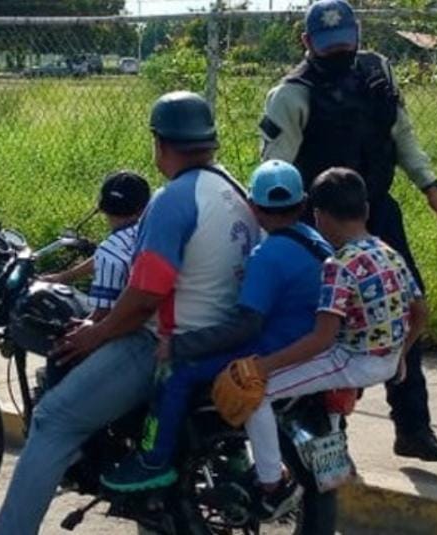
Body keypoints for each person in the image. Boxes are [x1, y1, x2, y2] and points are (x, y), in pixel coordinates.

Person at [0, 91, 260, 535]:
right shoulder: (234, 188)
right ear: (209, 141)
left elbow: (144, 298)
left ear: (159, 144)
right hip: (224, 335)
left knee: (54, 419)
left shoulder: (172, 200)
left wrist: (94, 335)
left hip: (163, 342)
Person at [259, 0, 437, 461]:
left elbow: (401, 134)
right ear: (306, 42)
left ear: (359, 36)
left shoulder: (378, 73)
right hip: (319, 225)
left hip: (376, 214)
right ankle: (331, 441)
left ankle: (412, 428)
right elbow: (276, 167)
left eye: (347, 43)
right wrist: (274, 234)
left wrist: (431, 187)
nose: (341, 52)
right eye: (330, 46)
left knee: (407, 310)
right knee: (327, 327)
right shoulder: (291, 94)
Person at [100, 160, 333, 520]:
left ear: (253, 208)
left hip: (268, 348)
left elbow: (244, 327)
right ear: (303, 204)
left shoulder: (266, 256)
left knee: (175, 375)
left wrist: (179, 346)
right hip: (309, 346)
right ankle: (232, 454)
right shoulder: (316, 242)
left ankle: (153, 460)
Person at [232, 167, 427, 510]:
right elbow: (420, 311)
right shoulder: (388, 252)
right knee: (318, 394)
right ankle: (333, 455)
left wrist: (264, 366)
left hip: (353, 361)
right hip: (388, 362)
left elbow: (322, 339)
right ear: (366, 210)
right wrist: (401, 354)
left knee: (256, 394)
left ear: (318, 216)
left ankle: (271, 483)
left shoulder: (339, 265)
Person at [41, 170, 151, 321]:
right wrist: (62, 278)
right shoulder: (148, 229)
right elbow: (102, 256)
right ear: (144, 207)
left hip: (140, 328)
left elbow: (101, 315)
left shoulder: (111, 250)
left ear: (101, 205)